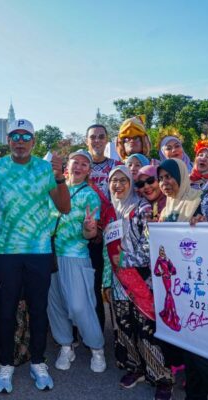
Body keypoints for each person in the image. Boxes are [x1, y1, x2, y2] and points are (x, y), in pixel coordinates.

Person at [0, 118, 70, 394]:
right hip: (6, 251)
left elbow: (64, 208)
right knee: (6, 310)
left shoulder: (44, 168)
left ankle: (38, 362)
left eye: (25, 136)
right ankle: (5, 364)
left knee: (38, 309)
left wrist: (60, 177)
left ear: (33, 141)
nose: (20, 141)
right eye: (14, 136)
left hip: (39, 251)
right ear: (8, 141)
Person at [157, 158, 208, 400]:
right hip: (183, 294)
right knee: (192, 356)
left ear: (182, 176)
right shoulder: (167, 209)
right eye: (161, 178)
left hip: (207, 291)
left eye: (169, 176)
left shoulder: (204, 199)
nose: (164, 182)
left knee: (207, 359)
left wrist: (206, 227)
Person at [106, 165, 176, 399]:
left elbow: (150, 246)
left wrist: (126, 260)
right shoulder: (109, 211)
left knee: (147, 328)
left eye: (123, 180)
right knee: (124, 325)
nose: (118, 185)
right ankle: (135, 367)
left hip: (142, 278)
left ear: (130, 184)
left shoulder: (142, 208)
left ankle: (162, 377)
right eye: (113, 181)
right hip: (118, 279)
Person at [46, 150, 105, 373]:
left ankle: (97, 348)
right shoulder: (52, 190)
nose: (78, 167)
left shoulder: (90, 195)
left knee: (80, 306)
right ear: (67, 166)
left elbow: (90, 234)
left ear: (89, 171)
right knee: (55, 304)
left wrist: (90, 228)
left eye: (84, 164)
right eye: (75, 162)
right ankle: (65, 345)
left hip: (76, 256)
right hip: (49, 254)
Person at [85, 123, 119, 332]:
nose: (97, 140)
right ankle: (95, 330)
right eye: (93, 137)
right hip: (86, 235)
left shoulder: (116, 165)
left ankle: (119, 332)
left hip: (112, 233)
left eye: (100, 136)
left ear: (107, 140)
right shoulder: (79, 165)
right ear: (86, 141)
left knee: (113, 283)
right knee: (91, 285)